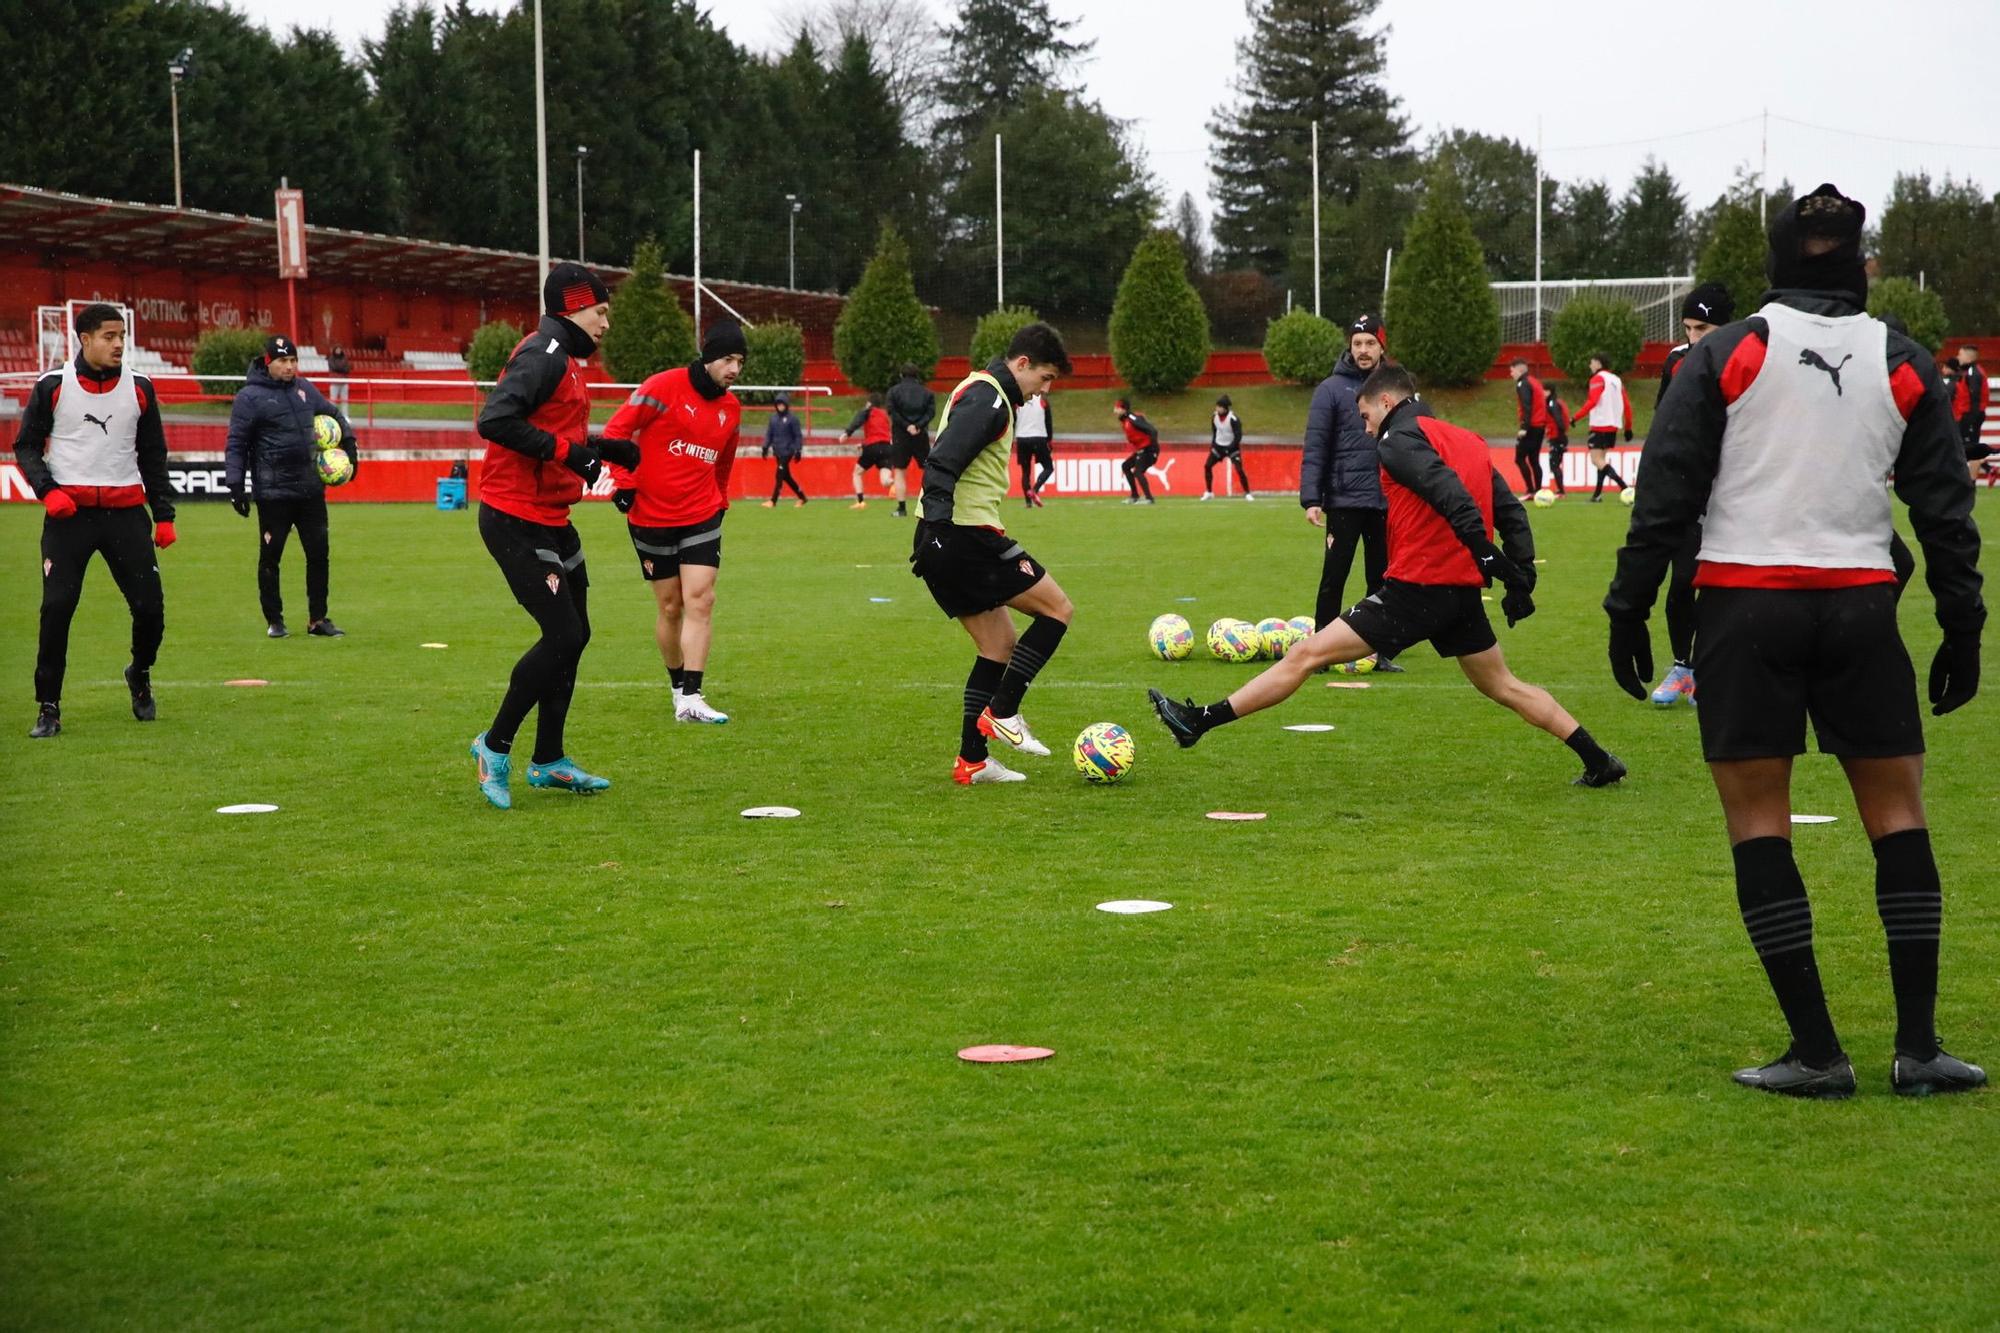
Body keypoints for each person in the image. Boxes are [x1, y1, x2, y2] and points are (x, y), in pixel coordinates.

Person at [1604, 184, 1985, 1098]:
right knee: (1899, 816)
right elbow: (1943, 508)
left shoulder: (1730, 351)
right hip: (1860, 604)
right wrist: (1964, 622)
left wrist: (1630, 604)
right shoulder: (1903, 358)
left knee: (1759, 823)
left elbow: (1667, 491)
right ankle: (1920, 1047)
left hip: (1745, 604)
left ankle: (1817, 1052)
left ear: (1776, 258)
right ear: (1861, 261)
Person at [1151, 362, 1627, 787]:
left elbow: (1450, 495)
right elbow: (1511, 514)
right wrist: (1520, 575)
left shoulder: (1397, 440)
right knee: (1504, 685)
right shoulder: (1469, 441)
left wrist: (1486, 556)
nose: (1365, 427)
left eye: (1365, 416)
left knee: (1305, 654)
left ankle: (1200, 721)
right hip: (1457, 594)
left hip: (1416, 589)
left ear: (1386, 401)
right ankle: (1598, 758)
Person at [467, 262, 640, 809]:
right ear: (572, 307)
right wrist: (574, 455)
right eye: (601, 312)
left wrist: (604, 450)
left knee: (577, 633)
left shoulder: (563, 360)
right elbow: (495, 420)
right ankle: (494, 747)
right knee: (563, 635)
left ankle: (548, 761)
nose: (606, 324)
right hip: (513, 516)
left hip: (551, 516)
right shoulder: (542, 355)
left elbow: (550, 429)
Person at [910, 322, 1075, 784]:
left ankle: (972, 761)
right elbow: (943, 459)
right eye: (1044, 379)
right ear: (1021, 364)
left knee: (998, 645)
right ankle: (1003, 711)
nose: (1043, 391)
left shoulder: (980, 389)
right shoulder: (990, 399)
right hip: (963, 535)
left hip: (945, 534)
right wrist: (941, 529)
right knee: (1058, 609)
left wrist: (933, 531)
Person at [14, 302, 176, 738]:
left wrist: (163, 515)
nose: (118, 343)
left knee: (150, 608)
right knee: (57, 608)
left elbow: (153, 455)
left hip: (126, 515)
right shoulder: (53, 386)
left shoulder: (141, 388)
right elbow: (26, 446)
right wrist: (49, 491)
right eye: (108, 336)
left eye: (121, 335)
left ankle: (139, 673)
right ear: (84, 340)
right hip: (70, 518)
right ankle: (48, 706)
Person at [604, 321, 747, 725]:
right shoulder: (663, 387)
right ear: (708, 357)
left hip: (702, 515)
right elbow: (617, 430)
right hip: (650, 516)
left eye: (740, 361)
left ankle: (693, 695)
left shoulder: (731, 410)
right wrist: (623, 483)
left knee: (701, 599)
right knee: (671, 607)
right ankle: (676, 689)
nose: (734, 369)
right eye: (727, 359)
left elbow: (724, 462)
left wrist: (721, 499)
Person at [224, 333, 358, 639]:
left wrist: (349, 447)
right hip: (274, 493)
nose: (289, 367)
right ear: (269, 363)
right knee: (271, 557)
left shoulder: (304, 389)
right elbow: (237, 444)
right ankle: (275, 620)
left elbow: (334, 414)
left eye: (293, 360)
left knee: (319, 554)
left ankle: (318, 619)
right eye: (283, 361)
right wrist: (235, 485)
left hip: (310, 490)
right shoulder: (249, 398)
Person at [1645, 282, 1737, 706]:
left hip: (1737, 490)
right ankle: (1684, 668)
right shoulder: (1677, 362)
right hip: (1689, 491)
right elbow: (1665, 423)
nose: (1694, 337)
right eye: (1688, 327)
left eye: (1703, 327)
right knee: (1682, 581)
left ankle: (1713, 667)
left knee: (1725, 586)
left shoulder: (1748, 359)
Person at [1301, 313, 1399, 670]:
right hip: (1343, 500)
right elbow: (1316, 446)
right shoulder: (1330, 389)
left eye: (1370, 343)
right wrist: (1312, 499)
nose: (1363, 350)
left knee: (1384, 579)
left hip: (1387, 501)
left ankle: (1381, 652)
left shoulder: (1396, 389)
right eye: (1357, 343)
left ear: (1381, 346)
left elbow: (1413, 440)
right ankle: (1320, 653)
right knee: (1334, 577)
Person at [1574, 352, 1633, 501]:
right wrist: (1628, 427)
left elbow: (1592, 401)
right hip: (1613, 425)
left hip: (1600, 424)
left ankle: (1624, 487)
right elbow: (1626, 404)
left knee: (1596, 460)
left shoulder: (1597, 378)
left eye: (1592, 362)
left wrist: (1575, 417)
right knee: (1602, 459)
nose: (1590, 365)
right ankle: (1597, 494)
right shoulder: (1616, 380)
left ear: (1598, 364)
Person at [843, 392, 898, 513]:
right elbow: (881, 433)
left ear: (869, 403)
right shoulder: (884, 415)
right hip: (887, 448)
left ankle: (860, 501)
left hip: (873, 447)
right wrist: (863, 444)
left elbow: (857, 421)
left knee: (857, 473)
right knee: (885, 480)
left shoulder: (868, 411)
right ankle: (894, 484)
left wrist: (847, 433)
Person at [887, 361, 937, 491]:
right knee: (927, 468)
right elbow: (931, 413)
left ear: (901, 375)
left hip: (900, 435)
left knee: (899, 470)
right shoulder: (927, 393)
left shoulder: (893, 392)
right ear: (917, 375)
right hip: (920, 434)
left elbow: (892, 412)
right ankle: (929, 498)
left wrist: (906, 425)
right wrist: (918, 425)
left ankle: (901, 506)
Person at [1508, 357, 1551, 496]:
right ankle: (1538, 491)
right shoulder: (1535, 382)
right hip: (1539, 426)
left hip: (1531, 427)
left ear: (1520, 369)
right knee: (1534, 460)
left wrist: (1524, 427)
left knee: (1519, 458)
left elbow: (1527, 406)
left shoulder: (1523, 384)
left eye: (1512, 370)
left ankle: (1531, 490)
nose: (1511, 374)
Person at [1201, 394, 1252, 499]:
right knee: (1207, 466)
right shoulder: (1214, 417)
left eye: (1219, 406)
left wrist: (1231, 447)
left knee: (1239, 469)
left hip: (1232, 447)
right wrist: (1213, 445)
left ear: (1224, 408)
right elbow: (1215, 432)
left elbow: (1238, 436)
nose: (1217, 408)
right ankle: (1209, 492)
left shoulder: (1233, 419)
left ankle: (1247, 493)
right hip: (1219, 447)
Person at [761, 391, 806, 507]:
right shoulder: (773, 419)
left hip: (787, 451)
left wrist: (798, 450)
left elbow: (798, 436)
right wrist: (765, 447)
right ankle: (802, 497)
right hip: (778, 451)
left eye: (782, 404)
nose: (780, 406)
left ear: (786, 405)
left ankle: (773, 501)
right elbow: (769, 434)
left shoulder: (792, 419)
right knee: (787, 477)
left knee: (779, 475)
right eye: (778, 404)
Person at [1114, 398, 1160, 504]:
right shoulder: (1125, 419)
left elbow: (1152, 430)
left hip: (1149, 449)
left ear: (1123, 409)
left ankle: (1149, 498)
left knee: (1138, 472)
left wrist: (1152, 447)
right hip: (1142, 449)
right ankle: (1134, 496)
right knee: (1126, 466)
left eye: (1117, 408)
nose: (1114, 411)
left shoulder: (1132, 418)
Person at [1014, 388, 1054, 508]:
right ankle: (1035, 490)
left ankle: (1028, 503)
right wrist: (1049, 440)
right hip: (1039, 437)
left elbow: (1013, 420)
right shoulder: (1042, 400)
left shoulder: (1018, 401)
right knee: (1048, 467)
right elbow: (1048, 421)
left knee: (1025, 471)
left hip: (1021, 438)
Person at [1955, 343, 1988, 465]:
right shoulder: (1968, 372)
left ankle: (1972, 480)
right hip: (1968, 416)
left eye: (1960, 354)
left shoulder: (1974, 373)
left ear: (1968, 358)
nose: (1958, 357)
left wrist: (1970, 420)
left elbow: (1975, 398)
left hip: (1971, 416)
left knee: (1971, 447)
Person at [1543, 382, 1571, 495]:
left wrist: (1559, 435)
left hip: (1557, 437)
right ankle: (1560, 490)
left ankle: (1561, 491)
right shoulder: (1556, 402)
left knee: (1554, 464)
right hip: (1559, 437)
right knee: (1555, 464)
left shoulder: (1552, 403)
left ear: (1548, 391)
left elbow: (1559, 420)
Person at [326, 344, 351, 410]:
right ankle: (332, 416)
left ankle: (345, 416)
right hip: (334, 382)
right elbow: (334, 367)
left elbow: (348, 368)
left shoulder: (344, 358)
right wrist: (342, 368)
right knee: (333, 400)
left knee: (345, 400)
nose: (338, 351)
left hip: (344, 382)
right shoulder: (331, 358)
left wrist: (341, 369)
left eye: (340, 349)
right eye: (337, 349)